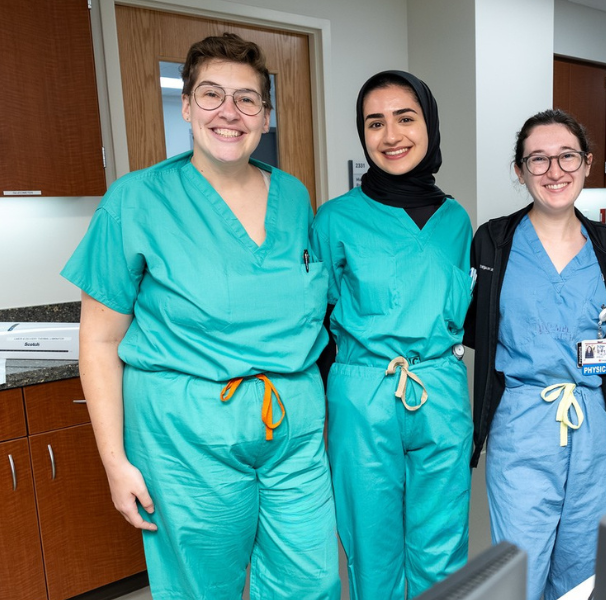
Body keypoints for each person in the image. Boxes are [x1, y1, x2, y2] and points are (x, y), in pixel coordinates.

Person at [61, 33, 339, 600]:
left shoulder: (293, 195)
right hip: (186, 435)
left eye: (247, 99)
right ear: (186, 106)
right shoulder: (135, 201)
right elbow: (98, 342)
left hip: (294, 429)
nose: (229, 113)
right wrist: (115, 462)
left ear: (264, 115)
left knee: (311, 581)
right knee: (199, 587)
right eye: (211, 95)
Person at [311, 70, 473, 600]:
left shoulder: (456, 221)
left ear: (429, 124)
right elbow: (318, 321)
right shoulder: (334, 219)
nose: (391, 135)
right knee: (372, 547)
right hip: (364, 393)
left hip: (441, 389)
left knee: (443, 545)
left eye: (406, 118)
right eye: (374, 123)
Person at [465, 109, 606, 600]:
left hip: (593, 429)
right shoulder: (493, 242)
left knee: (582, 574)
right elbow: (475, 327)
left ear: (587, 164)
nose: (554, 171)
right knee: (520, 571)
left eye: (567, 157)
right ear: (519, 170)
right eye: (538, 160)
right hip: (522, 426)